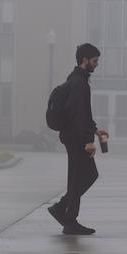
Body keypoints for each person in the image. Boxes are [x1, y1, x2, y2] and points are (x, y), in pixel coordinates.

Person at [47, 43, 108, 235]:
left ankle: (64, 212)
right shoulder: (79, 83)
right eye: (95, 61)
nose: (96, 64)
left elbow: (82, 113)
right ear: (85, 60)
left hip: (73, 136)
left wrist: (95, 130)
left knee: (82, 176)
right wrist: (87, 141)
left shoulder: (76, 80)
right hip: (76, 138)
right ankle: (68, 218)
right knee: (82, 176)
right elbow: (78, 114)